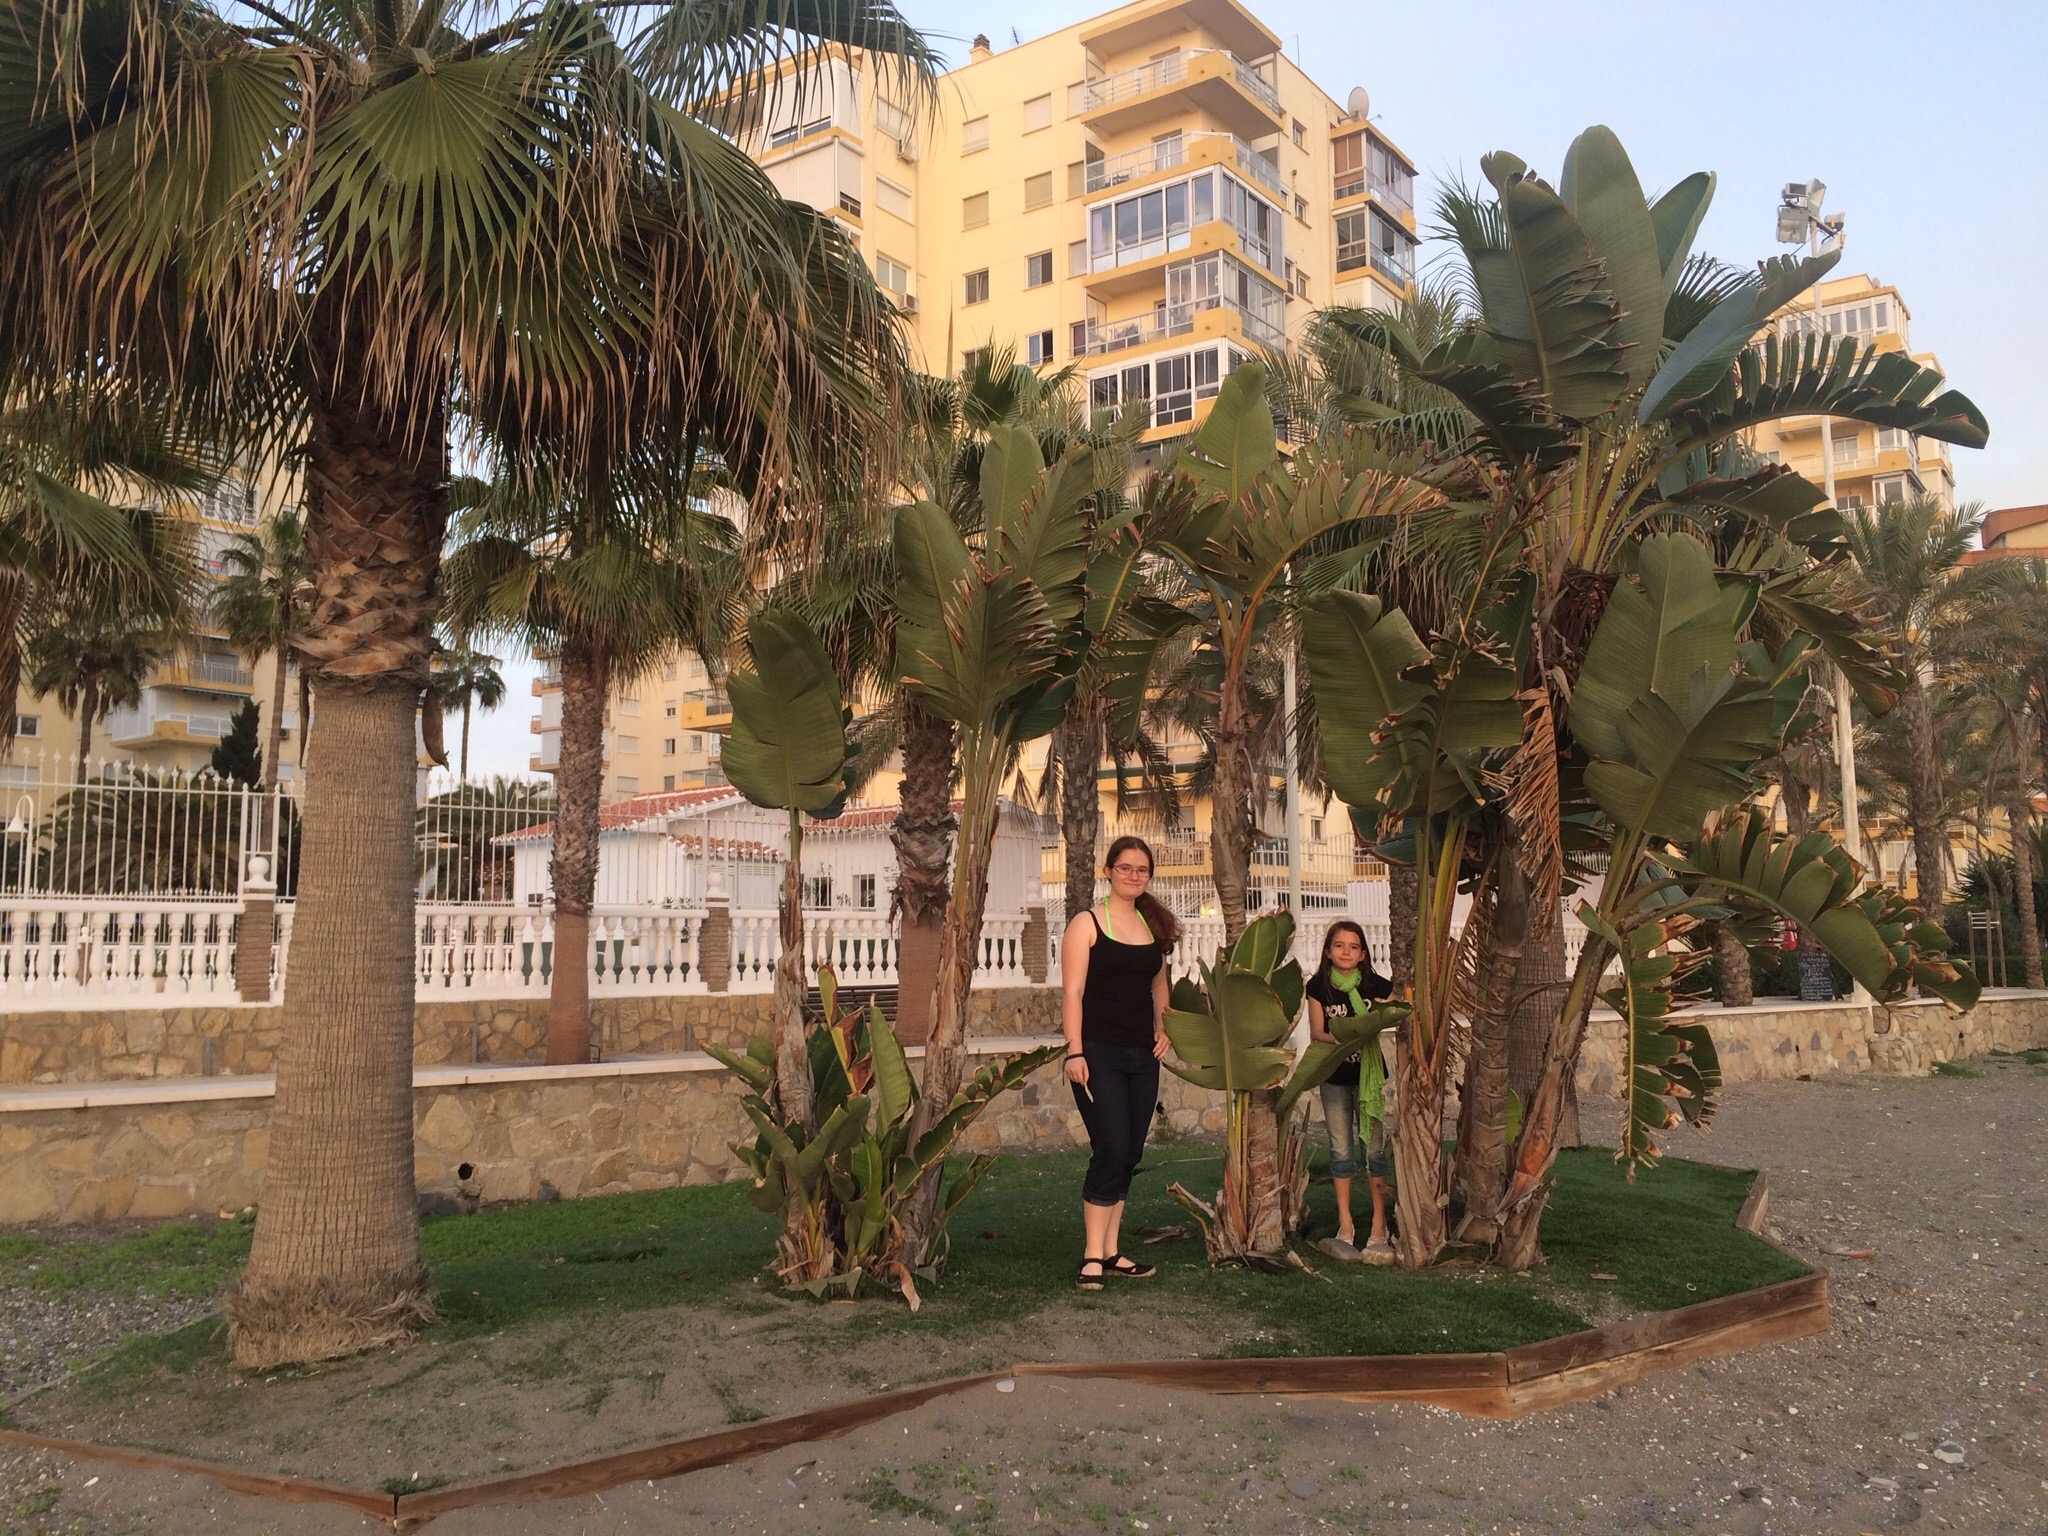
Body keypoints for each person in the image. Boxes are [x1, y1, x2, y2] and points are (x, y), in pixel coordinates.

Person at [1060, 835, 1179, 1290]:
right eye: (1125, 867)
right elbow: (1072, 992)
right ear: (1108, 871)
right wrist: (1074, 1051)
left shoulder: (1152, 926)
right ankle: (1092, 1254)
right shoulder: (1086, 923)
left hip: (1142, 1056)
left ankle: (1111, 1251)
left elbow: (1158, 984)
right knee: (1109, 1148)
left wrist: (1164, 1028)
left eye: (1141, 869)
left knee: (1130, 1151)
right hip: (1097, 1053)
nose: (1133, 875)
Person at [1305, 919, 1395, 1262]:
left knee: (1374, 1151)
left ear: (1363, 954)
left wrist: (1376, 1024)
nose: (1346, 951)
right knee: (1340, 1151)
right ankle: (1345, 1224)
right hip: (1334, 1078)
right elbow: (1317, 1031)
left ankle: (1378, 1224)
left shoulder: (1374, 984)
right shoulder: (1318, 986)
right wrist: (1345, 1036)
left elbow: (1398, 1010)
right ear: (1328, 951)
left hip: (1369, 1078)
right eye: (1339, 945)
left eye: (1354, 946)